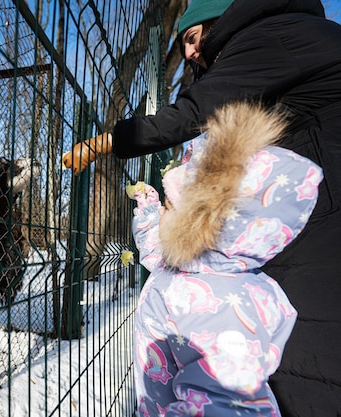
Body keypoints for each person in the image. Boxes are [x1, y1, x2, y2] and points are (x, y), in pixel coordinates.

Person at [62, 0, 341, 414]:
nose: (190, 53)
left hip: (323, 211)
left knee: (308, 357)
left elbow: (190, 113)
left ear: (220, 20)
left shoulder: (271, 34)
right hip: (314, 203)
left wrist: (103, 143)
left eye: (193, 38)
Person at [130, 102, 322, 416]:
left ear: (199, 225)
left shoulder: (227, 307)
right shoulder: (189, 268)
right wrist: (150, 217)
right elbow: (156, 255)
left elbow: (222, 406)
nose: (164, 210)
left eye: (169, 206)